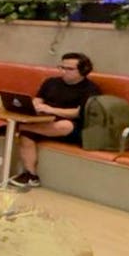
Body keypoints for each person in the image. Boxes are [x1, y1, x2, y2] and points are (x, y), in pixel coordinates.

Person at [8, 52, 100, 187]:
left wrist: (51, 110)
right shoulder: (51, 82)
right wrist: (35, 105)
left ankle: (16, 127)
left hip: (71, 127)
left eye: (69, 69)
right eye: (61, 67)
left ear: (83, 71)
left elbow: (77, 113)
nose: (63, 71)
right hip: (44, 122)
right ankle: (31, 175)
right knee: (26, 135)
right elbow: (38, 99)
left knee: (65, 125)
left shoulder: (91, 89)